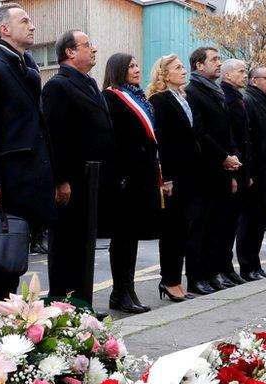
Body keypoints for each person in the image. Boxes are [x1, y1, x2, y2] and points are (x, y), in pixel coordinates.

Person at [0, 3, 57, 313]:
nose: (32, 26)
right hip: (5, 180)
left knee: (16, 255)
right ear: (4, 29)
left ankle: (11, 321)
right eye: (25, 20)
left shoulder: (27, 68)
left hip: (29, 178)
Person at [41, 30, 112, 308]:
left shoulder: (89, 83)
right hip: (72, 181)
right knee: (66, 247)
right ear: (70, 52)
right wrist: (61, 180)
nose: (93, 50)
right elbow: (54, 137)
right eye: (87, 45)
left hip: (92, 180)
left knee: (84, 248)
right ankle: (64, 306)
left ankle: (82, 305)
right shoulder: (58, 86)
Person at [100, 52, 160, 312]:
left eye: (137, 64)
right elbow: (114, 139)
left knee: (132, 237)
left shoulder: (139, 97)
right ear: (118, 70)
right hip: (125, 177)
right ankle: (120, 292)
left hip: (142, 176)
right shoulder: (112, 97)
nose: (137, 69)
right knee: (122, 238)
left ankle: (129, 290)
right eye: (131, 66)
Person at [185, 47, 242, 294]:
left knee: (216, 227)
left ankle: (211, 273)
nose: (219, 64)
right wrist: (223, 157)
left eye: (220, 59)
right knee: (200, 227)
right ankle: (196, 277)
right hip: (203, 170)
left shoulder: (216, 91)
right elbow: (199, 131)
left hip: (222, 170)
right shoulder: (193, 92)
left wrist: (230, 165)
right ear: (199, 65)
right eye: (214, 60)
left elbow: (225, 131)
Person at [149, 54, 197, 302]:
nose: (184, 71)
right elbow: (162, 142)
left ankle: (176, 280)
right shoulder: (160, 100)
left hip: (187, 174)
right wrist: (165, 178)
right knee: (172, 231)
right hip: (173, 176)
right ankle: (169, 280)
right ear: (164, 74)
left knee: (183, 229)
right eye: (178, 68)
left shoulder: (182, 99)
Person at [239, 66, 266, 281]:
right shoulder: (249, 101)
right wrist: (250, 172)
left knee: (258, 223)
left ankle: (254, 265)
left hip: (265, 174)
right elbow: (248, 141)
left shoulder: (263, 101)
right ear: (254, 81)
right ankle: (247, 267)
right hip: (255, 174)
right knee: (249, 222)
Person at [218, 58, 250, 287]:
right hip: (230, 167)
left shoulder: (237, 97)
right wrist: (231, 174)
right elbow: (229, 136)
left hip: (240, 167)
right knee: (224, 223)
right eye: (241, 71)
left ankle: (227, 268)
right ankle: (221, 268)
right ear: (227, 75)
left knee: (230, 225)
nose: (245, 75)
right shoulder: (226, 97)